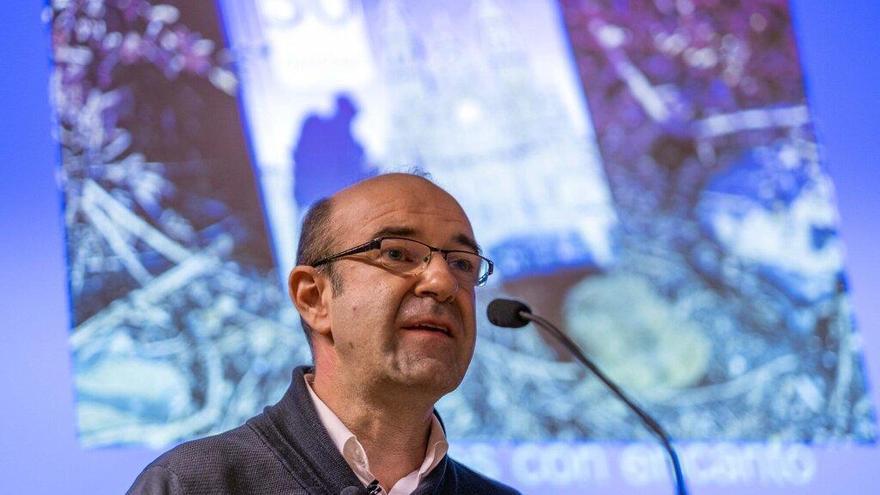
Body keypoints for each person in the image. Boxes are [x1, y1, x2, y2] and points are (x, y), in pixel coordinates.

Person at [128, 173, 519, 494]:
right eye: (397, 253)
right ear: (314, 298)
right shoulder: (194, 486)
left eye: (462, 263)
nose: (442, 281)